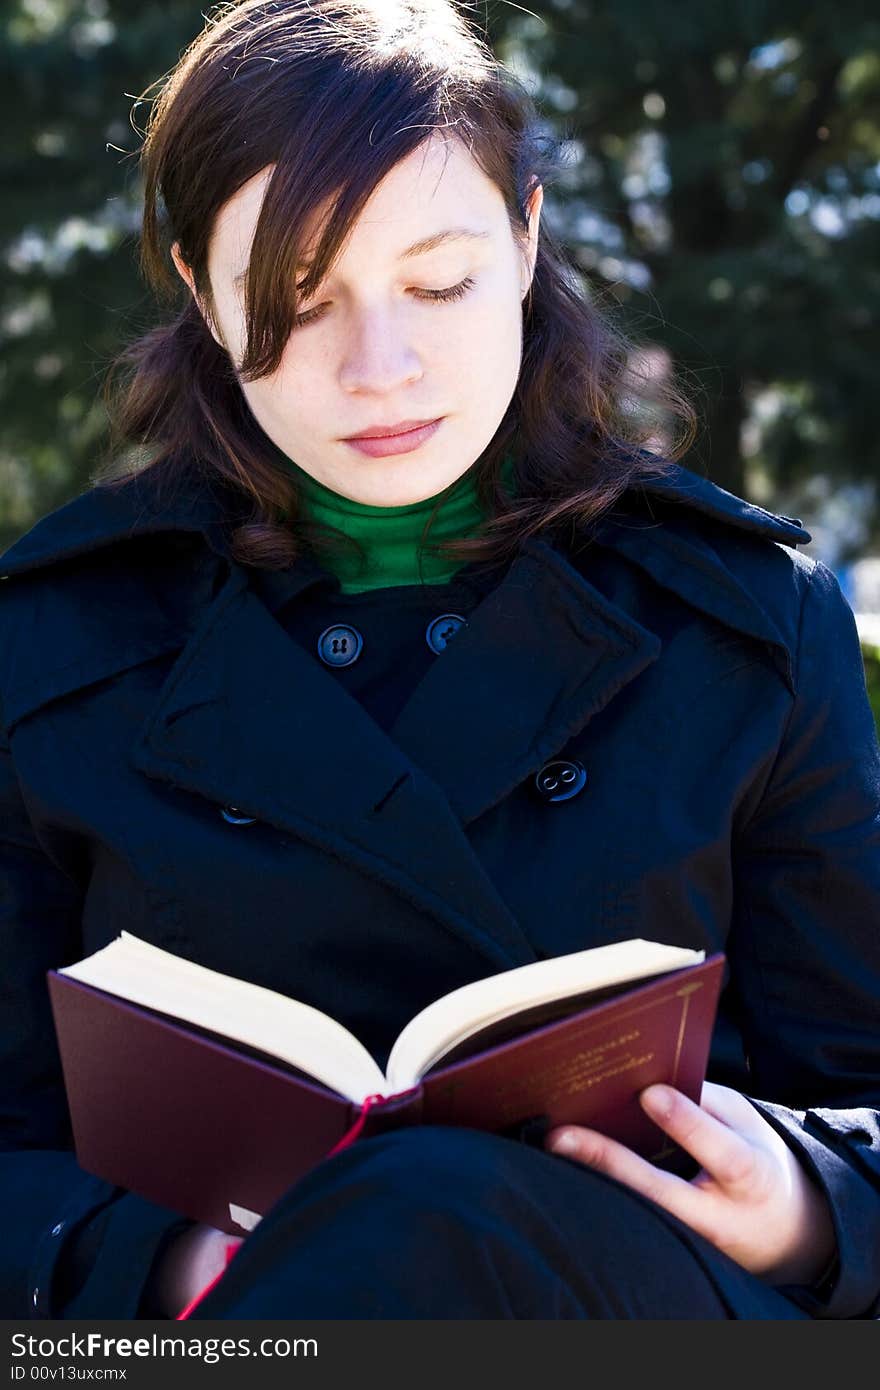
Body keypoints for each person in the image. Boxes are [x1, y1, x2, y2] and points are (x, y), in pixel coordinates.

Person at [1, 0, 878, 1322]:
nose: (381, 368)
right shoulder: (51, 644)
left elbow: (862, 1085)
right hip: (227, 1335)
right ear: (197, 285)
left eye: (440, 282)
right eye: (297, 297)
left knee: (437, 1205)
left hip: (651, 1314)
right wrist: (160, 1263)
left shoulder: (750, 620)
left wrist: (805, 1197)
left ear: (526, 239)